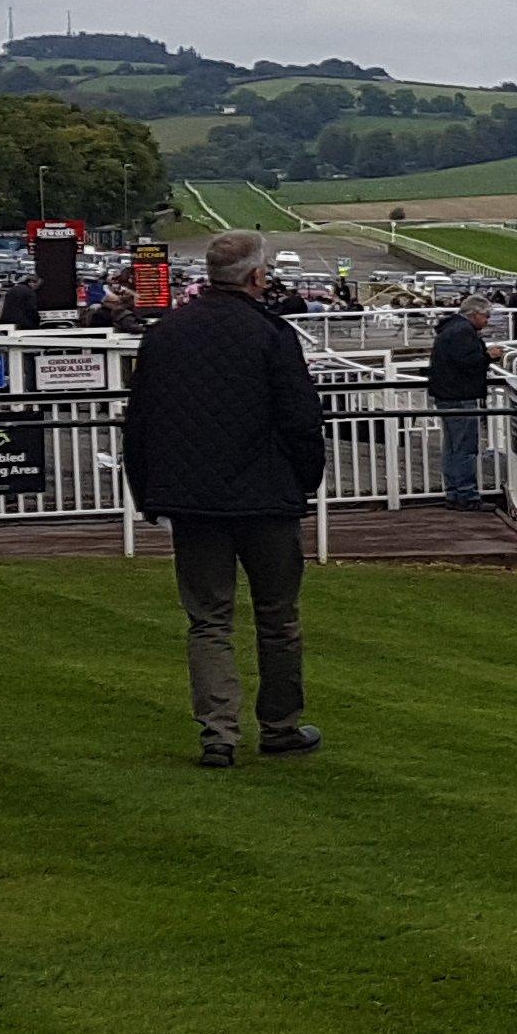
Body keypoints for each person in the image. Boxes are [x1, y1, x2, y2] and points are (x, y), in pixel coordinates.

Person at [119, 231, 328, 768]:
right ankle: (279, 725)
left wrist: (148, 493)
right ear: (257, 277)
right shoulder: (272, 334)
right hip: (266, 499)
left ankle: (218, 733)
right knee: (277, 618)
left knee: (208, 620)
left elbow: (139, 423)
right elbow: (302, 418)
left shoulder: (165, 333)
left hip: (194, 502)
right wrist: (306, 480)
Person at [426, 301, 500, 509]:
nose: (487, 321)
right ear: (474, 314)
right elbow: (468, 363)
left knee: (452, 447)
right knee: (465, 448)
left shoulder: (451, 329)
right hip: (460, 396)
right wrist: (489, 356)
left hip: (447, 394)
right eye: (485, 316)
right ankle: (467, 496)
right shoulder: (462, 332)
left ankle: (454, 493)